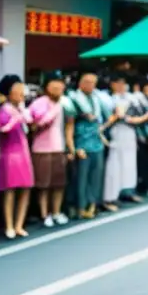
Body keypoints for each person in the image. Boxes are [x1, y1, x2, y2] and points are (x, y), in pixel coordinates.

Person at [27, 74, 70, 227]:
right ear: (47, 88)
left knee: (59, 183)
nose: (57, 90)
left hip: (58, 147)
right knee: (43, 185)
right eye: (54, 87)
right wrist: (52, 113)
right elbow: (33, 124)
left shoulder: (64, 103)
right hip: (41, 149)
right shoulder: (39, 103)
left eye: (60, 87)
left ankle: (57, 212)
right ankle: (45, 214)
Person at [0, 75, 34, 239]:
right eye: (16, 90)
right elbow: (3, 129)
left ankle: (19, 224)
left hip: (23, 151)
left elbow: (30, 121)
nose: (20, 93)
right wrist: (16, 118)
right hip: (9, 154)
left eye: (21, 90)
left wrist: (22, 112)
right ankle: (9, 225)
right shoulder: (4, 110)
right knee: (10, 190)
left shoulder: (21, 107)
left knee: (25, 188)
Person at [65, 72, 106, 219]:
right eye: (87, 82)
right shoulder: (72, 99)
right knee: (80, 178)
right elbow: (68, 126)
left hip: (96, 141)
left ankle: (92, 205)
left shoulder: (96, 98)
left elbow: (99, 120)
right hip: (81, 142)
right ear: (80, 83)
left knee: (96, 175)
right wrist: (72, 147)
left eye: (93, 82)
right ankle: (78, 206)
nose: (90, 85)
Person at [102, 74, 145, 209]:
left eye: (123, 83)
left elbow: (139, 112)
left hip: (130, 132)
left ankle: (128, 191)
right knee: (114, 166)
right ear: (112, 85)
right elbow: (112, 116)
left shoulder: (131, 97)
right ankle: (110, 197)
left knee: (130, 164)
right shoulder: (108, 99)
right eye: (118, 83)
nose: (121, 86)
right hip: (116, 132)